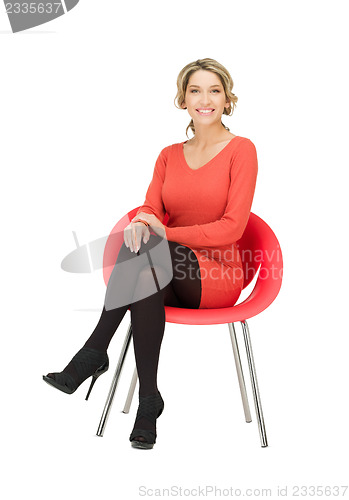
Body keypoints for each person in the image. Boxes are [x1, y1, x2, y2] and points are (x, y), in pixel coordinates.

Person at [43, 57, 258, 450]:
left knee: (151, 250)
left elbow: (233, 227)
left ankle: (93, 353)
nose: (204, 99)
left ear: (228, 99)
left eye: (214, 90)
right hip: (166, 270)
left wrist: (162, 231)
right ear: (183, 98)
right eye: (195, 90)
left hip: (217, 275)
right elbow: (150, 207)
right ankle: (148, 402)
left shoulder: (241, 150)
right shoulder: (168, 155)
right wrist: (143, 221)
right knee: (143, 266)